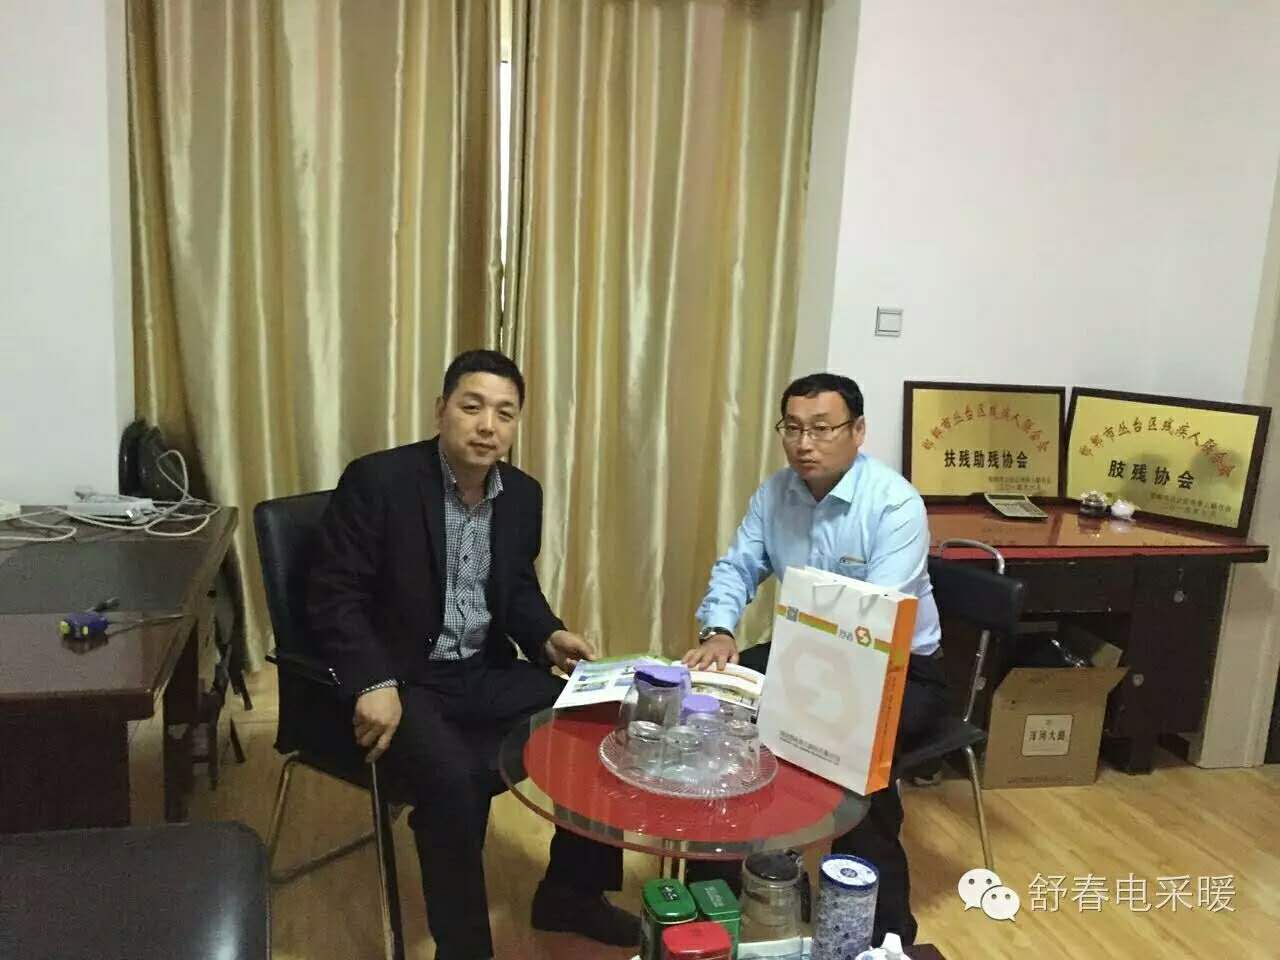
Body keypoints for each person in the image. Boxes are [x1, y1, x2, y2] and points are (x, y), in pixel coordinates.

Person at [307, 349, 638, 960]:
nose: (488, 426)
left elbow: (515, 591)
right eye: (473, 407)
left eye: (505, 414)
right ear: (441, 410)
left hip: (482, 670)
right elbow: (333, 595)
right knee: (455, 782)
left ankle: (571, 893)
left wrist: (549, 636)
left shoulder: (522, 495)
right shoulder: (379, 482)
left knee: (600, 720)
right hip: (405, 679)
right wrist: (373, 680)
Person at [682, 372, 947, 946]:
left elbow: (878, 620)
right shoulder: (776, 493)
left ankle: (883, 934)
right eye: (794, 428)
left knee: (850, 760)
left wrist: (804, 698)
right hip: (804, 656)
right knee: (711, 711)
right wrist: (718, 630)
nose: (805, 444)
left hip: (895, 669)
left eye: (822, 429)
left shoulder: (895, 504)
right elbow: (737, 567)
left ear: (858, 431)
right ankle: (713, 901)